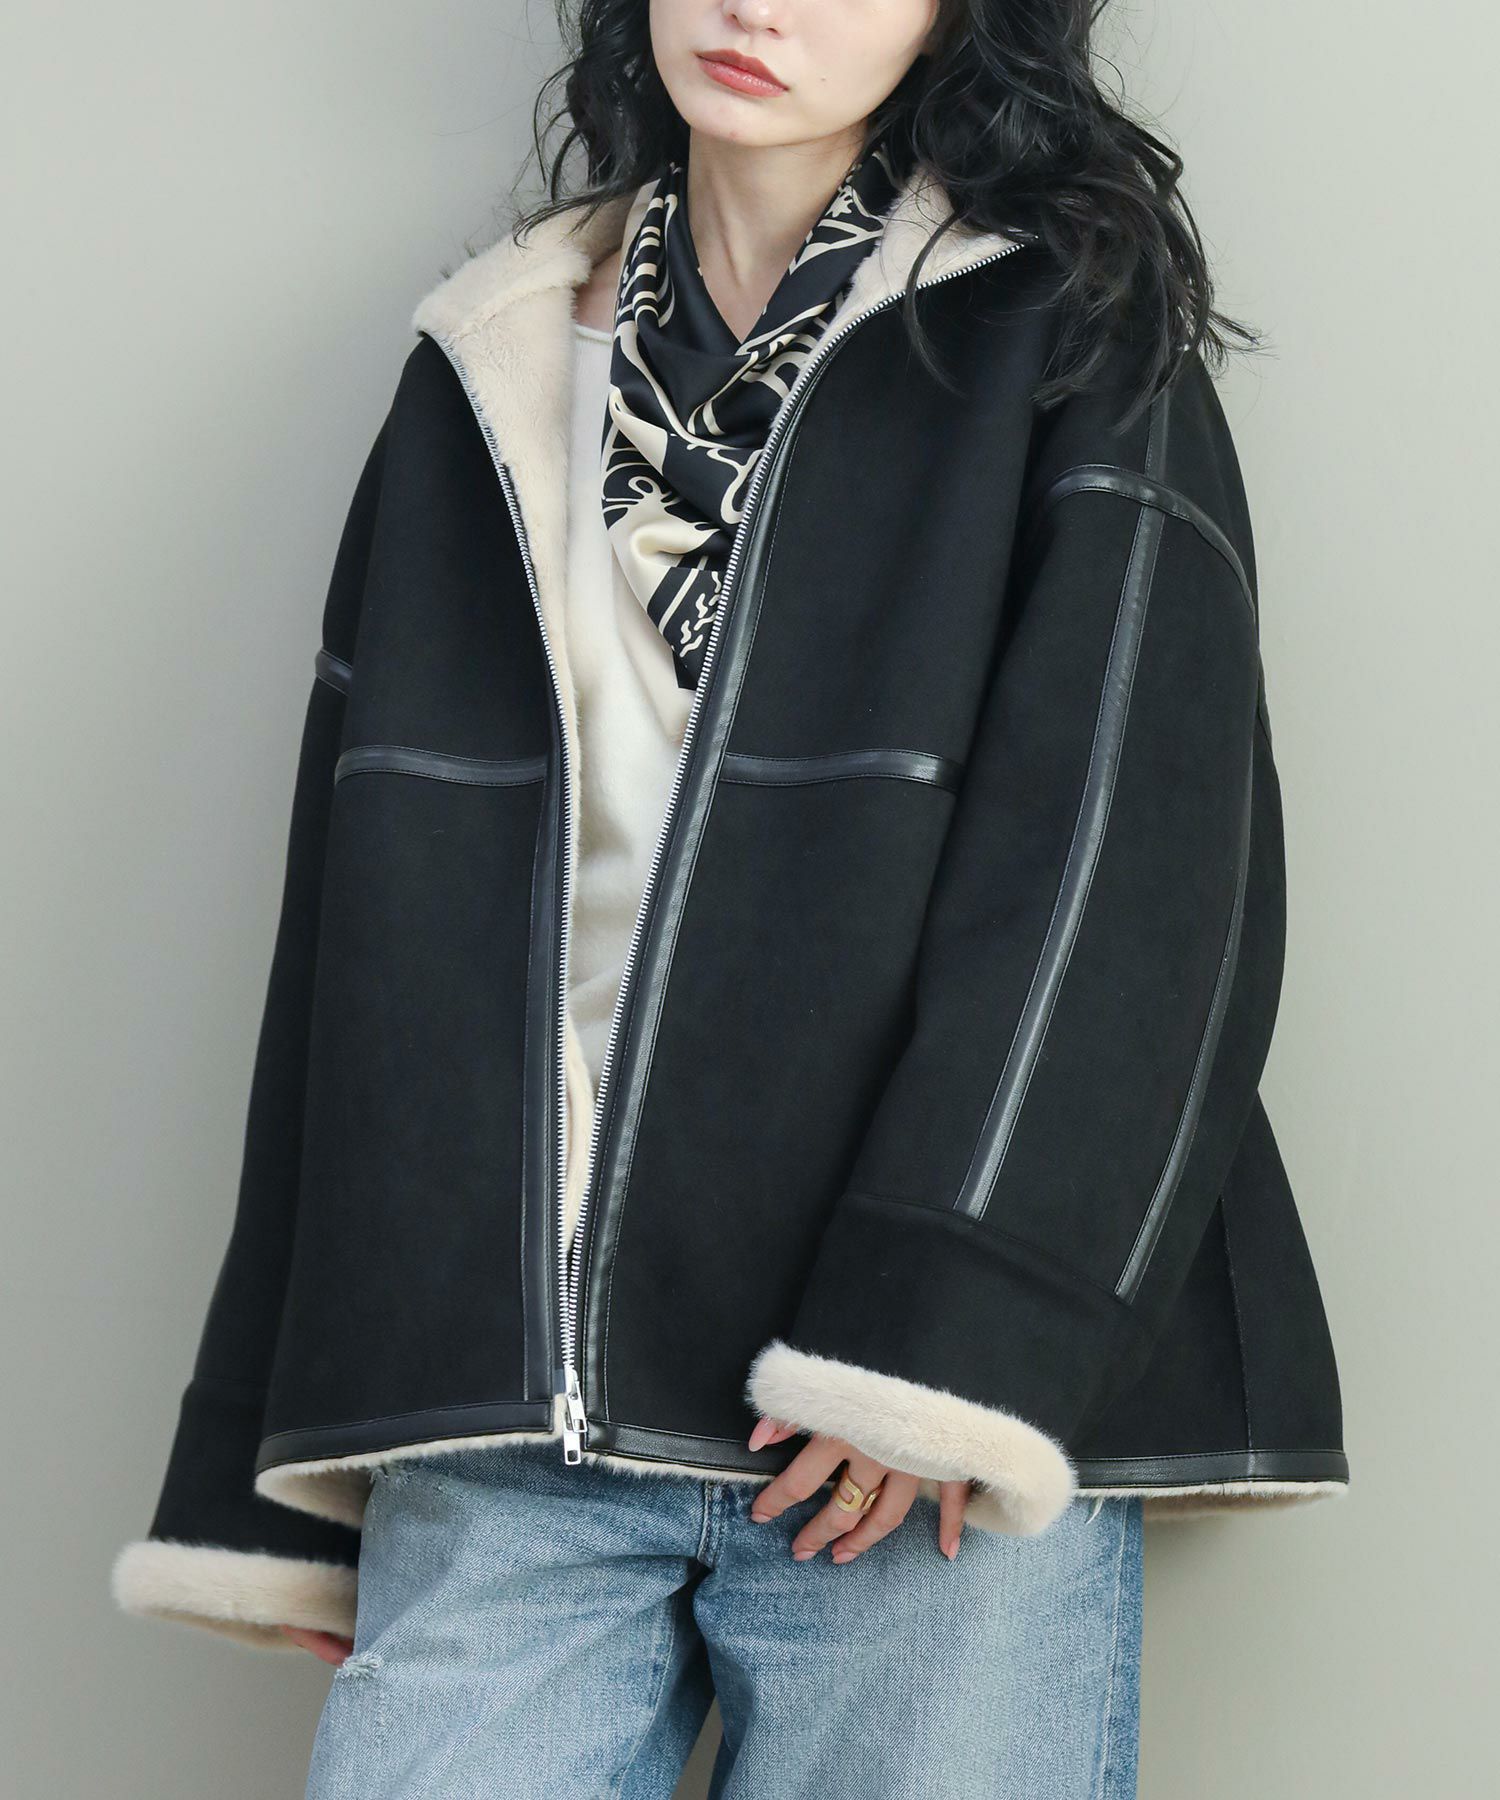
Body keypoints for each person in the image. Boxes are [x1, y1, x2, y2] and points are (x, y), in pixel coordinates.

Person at [111, 0, 1350, 1792]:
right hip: (512, 1422)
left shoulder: (1067, 341)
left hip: (901, 1436)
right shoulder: (492, 358)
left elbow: (1139, 873)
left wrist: (950, 1339)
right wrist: (272, 1459)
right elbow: (356, 927)